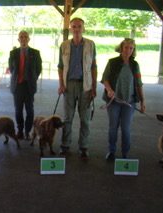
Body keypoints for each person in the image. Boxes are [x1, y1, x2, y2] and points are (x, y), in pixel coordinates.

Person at [57, 18, 97, 160]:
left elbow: (93, 67)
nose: (77, 29)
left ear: (83, 28)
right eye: (74, 27)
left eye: (79, 26)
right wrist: (61, 84)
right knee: (67, 118)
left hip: (85, 86)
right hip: (69, 86)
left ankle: (83, 148)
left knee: (85, 119)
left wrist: (94, 87)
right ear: (71, 29)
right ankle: (65, 146)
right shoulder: (64, 45)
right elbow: (60, 67)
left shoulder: (91, 45)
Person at [101, 38, 145, 161]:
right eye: (126, 47)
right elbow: (105, 79)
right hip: (114, 101)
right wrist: (109, 90)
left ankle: (125, 153)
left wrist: (143, 101)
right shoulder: (112, 62)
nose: (128, 50)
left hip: (129, 101)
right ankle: (111, 151)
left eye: (131, 48)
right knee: (113, 127)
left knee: (126, 128)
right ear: (121, 48)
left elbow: (139, 83)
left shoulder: (135, 65)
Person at [8, 30, 42, 140]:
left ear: (29, 39)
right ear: (18, 39)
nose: (23, 39)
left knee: (29, 110)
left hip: (29, 86)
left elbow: (38, 69)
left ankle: (27, 131)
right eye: (21, 37)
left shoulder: (35, 53)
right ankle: (20, 130)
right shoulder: (13, 53)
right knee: (18, 110)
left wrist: (31, 79)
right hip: (17, 86)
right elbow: (12, 69)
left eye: (25, 37)